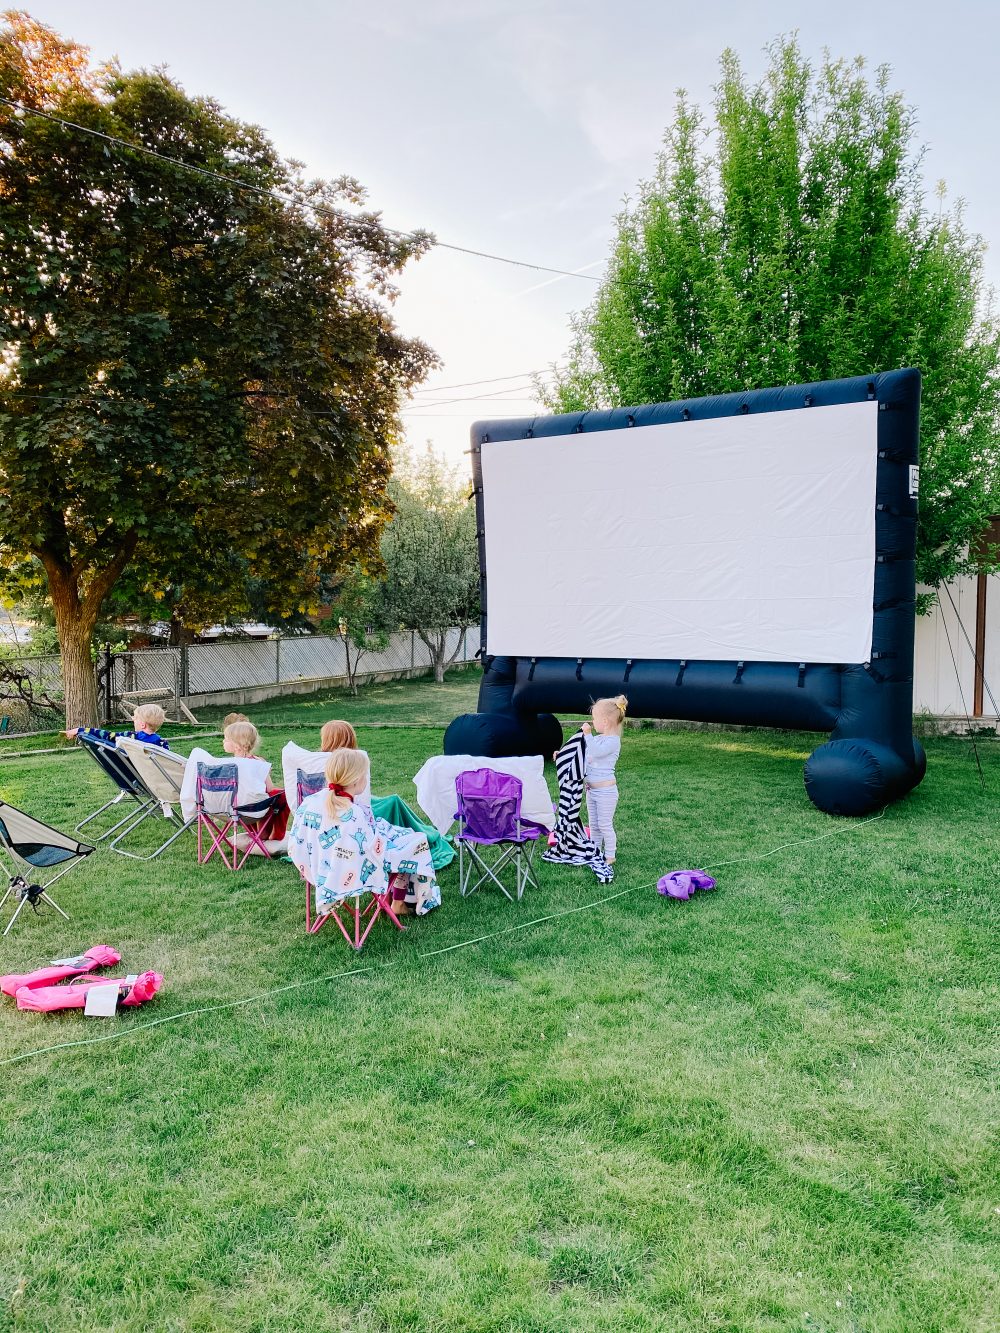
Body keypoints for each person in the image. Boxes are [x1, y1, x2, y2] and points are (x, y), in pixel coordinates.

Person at [289, 749, 440, 919]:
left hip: (318, 868)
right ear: (355, 780)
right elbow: (374, 852)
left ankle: (398, 899)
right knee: (416, 842)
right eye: (364, 776)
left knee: (402, 837)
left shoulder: (310, 802)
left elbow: (296, 840)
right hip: (356, 869)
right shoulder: (354, 813)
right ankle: (398, 902)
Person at [222, 719, 289, 853]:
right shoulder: (259, 763)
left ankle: (258, 832)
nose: (223, 741)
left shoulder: (226, 765)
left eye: (226, 739)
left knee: (254, 797)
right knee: (278, 795)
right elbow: (270, 788)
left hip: (228, 808)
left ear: (236, 745)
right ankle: (267, 832)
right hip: (253, 809)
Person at [582, 694, 627, 864]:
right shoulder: (599, 738)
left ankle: (610, 855)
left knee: (604, 824)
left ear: (605, 722)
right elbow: (586, 754)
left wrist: (587, 734)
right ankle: (594, 851)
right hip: (592, 790)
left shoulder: (613, 741)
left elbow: (595, 752)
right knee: (593, 824)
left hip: (606, 792)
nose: (593, 723)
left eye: (594, 719)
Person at [66, 703, 168, 749]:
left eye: (135, 718)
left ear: (142, 724)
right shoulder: (162, 743)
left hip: (133, 777)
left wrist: (80, 730)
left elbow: (106, 735)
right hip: (153, 781)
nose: (133, 719)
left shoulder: (131, 737)